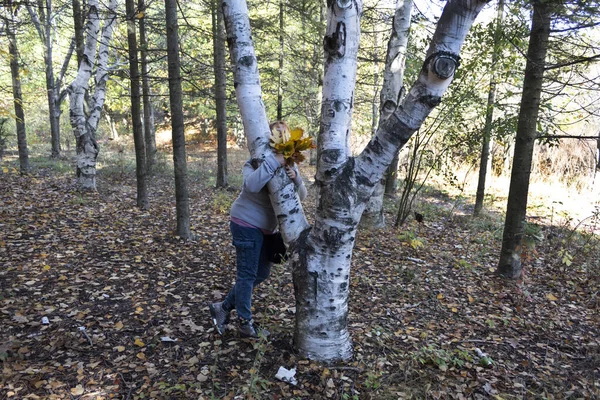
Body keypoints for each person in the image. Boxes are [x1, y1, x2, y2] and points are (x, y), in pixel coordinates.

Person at [209, 145, 307, 338]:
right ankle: (245, 323)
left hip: (267, 230)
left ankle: (223, 307)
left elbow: (301, 197)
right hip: (246, 222)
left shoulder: (289, 164)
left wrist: (296, 178)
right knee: (247, 274)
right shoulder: (255, 162)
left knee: (261, 274)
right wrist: (273, 162)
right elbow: (251, 185)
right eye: (277, 134)